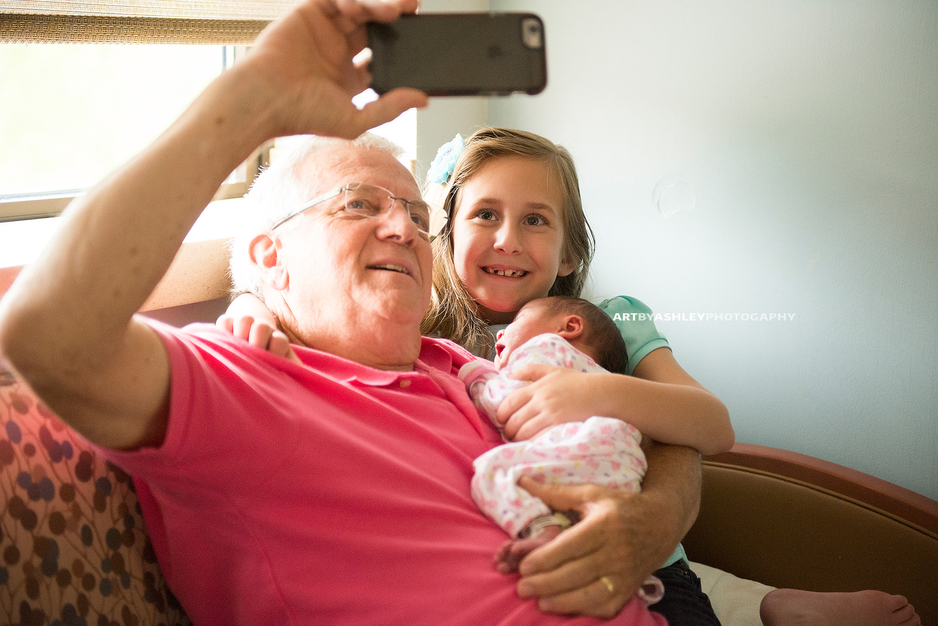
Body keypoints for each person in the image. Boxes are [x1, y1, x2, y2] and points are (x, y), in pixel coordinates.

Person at [0, 2, 676, 623]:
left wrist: (656, 518)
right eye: (360, 204)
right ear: (270, 258)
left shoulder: (460, 365)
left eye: (415, 215)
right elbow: (46, 334)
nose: (405, 230)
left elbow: (669, 429)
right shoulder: (247, 378)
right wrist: (249, 102)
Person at [460, 295, 666, 608]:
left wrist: (478, 379)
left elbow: (506, 404)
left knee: (492, 471)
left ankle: (543, 529)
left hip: (587, 447)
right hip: (625, 467)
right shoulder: (611, 381)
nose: (500, 334)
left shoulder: (546, 348)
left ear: (568, 327)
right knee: (601, 537)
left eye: (515, 324)